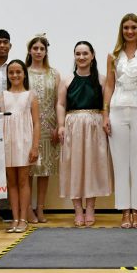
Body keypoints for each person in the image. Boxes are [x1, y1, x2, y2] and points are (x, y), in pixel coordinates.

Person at [103, 13, 137, 229]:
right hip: (117, 110)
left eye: (133, 27)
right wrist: (105, 113)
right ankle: (124, 210)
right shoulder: (113, 55)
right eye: (126, 27)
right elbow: (109, 85)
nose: (129, 31)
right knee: (120, 162)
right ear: (121, 30)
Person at [57, 41, 112, 227]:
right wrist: (61, 125)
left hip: (94, 127)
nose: (81, 57)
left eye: (85, 53)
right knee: (74, 166)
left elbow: (106, 104)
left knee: (93, 166)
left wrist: (105, 119)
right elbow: (61, 104)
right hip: (73, 126)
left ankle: (90, 208)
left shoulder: (102, 80)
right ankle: (77, 210)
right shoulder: (66, 80)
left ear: (92, 55)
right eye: (78, 54)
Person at [0, 59, 41, 233]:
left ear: (24, 74)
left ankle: (24, 218)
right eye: (11, 72)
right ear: (8, 75)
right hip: (7, 141)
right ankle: (15, 218)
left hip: (24, 142)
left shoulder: (31, 95)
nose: (15, 75)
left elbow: (37, 123)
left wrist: (35, 146)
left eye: (18, 72)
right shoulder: (2, 96)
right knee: (11, 182)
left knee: (23, 180)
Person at [25, 35, 60, 222]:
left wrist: (58, 126)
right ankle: (27, 208)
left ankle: (40, 208)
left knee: (45, 170)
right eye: (35, 48)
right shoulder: (23, 72)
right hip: (28, 126)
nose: (38, 51)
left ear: (46, 52)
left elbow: (58, 102)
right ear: (30, 50)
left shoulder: (54, 74)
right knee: (28, 169)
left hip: (49, 126)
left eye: (42, 49)